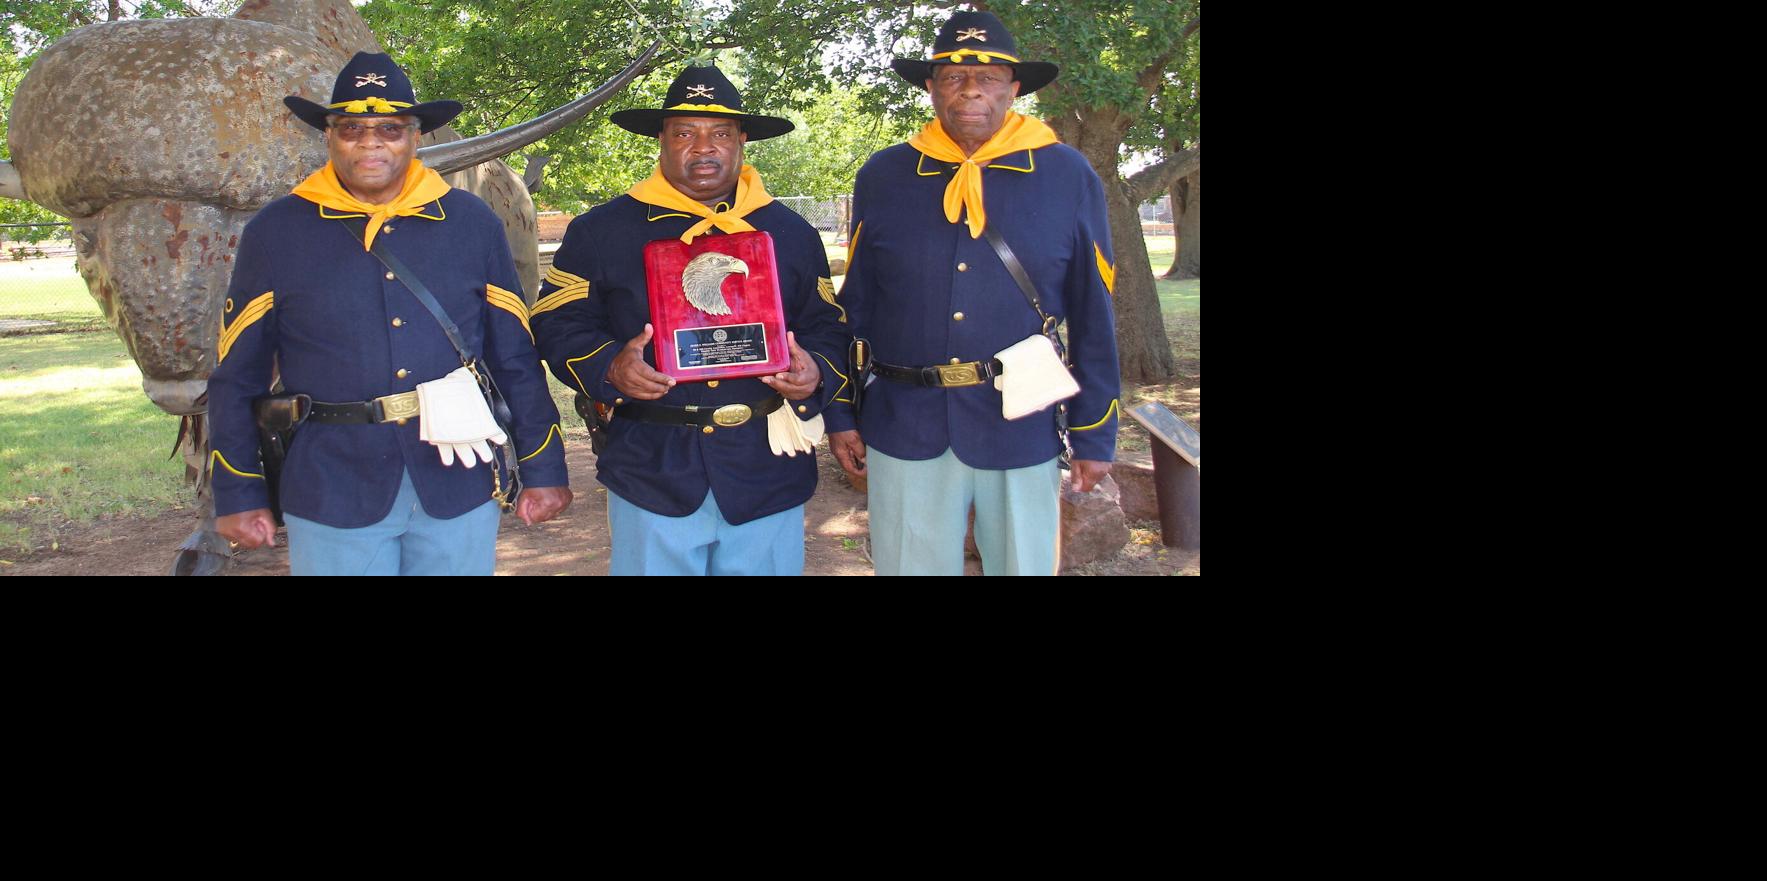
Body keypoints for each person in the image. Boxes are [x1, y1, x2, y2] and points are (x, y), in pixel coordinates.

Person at [207, 51, 571, 575]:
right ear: (329, 136)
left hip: (457, 472)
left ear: (415, 137)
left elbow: (513, 355)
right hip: (332, 481)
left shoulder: (471, 224)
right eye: (352, 128)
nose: (370, 142)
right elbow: (238, 373)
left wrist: (543, 466)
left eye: (390, 129)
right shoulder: (277, 231)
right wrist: (238, 490)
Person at [828, 10, 1122, 576]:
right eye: (954, 77)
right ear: (931, 87)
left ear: (1013, 89)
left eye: (988, 77)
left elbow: (1093, 311)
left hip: (1020, 421)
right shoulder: (885, 175)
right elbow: (857, 303)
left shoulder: (1066, 174)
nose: (970, 90)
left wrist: (1093, 433)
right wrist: (841, 411)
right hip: (905, 420)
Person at [530, 65, 847, 576]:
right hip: (652, 467)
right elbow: (557, 321)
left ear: (742, 141)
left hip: (766, 465)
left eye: (720, 133)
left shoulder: (791, 232)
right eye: (684, 133)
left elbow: (828, 326)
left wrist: (815, 371)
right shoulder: (601, 230)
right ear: (661, 140)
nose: (704, 148)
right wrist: (610, 367)